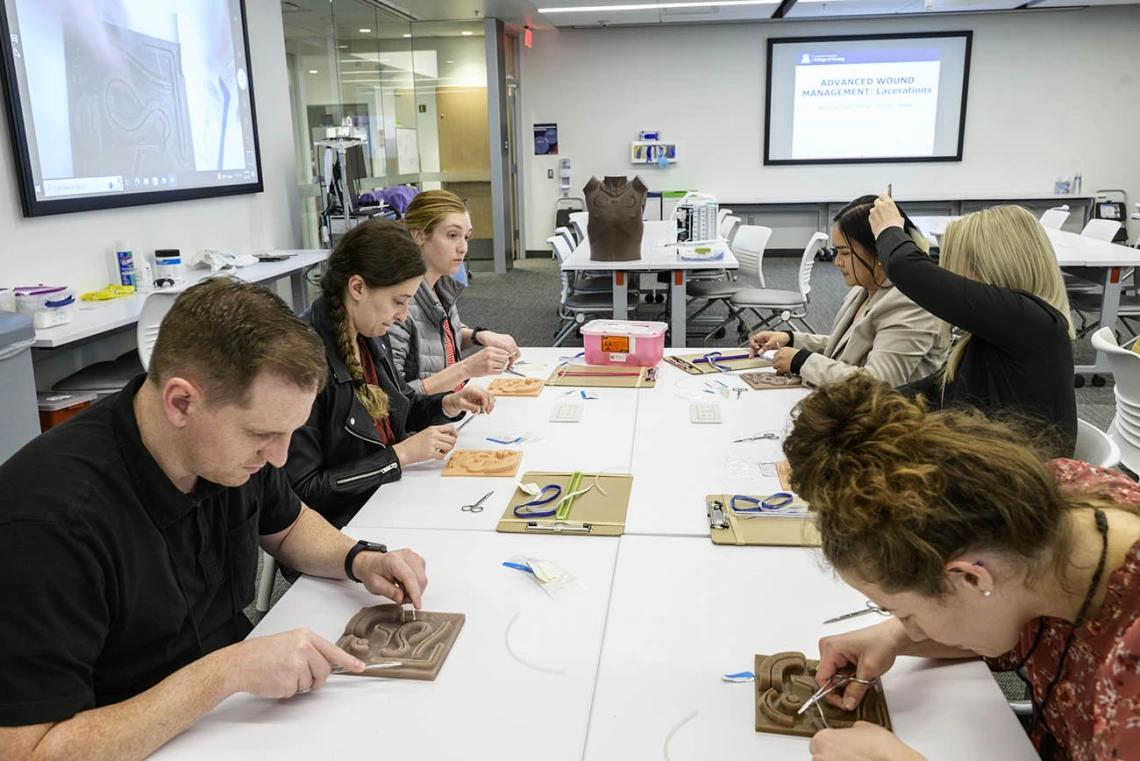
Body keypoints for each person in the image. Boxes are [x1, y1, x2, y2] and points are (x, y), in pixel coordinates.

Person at [0, 279, 430, 761]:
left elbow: (286, 525)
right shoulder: (49, 527)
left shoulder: (228, 449)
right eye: (263, 434)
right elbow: (30, 750)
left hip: (223, 716)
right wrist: (229, 671)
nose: (279, 456)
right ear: (181, 402)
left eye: (289, 432)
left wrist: (357, 559)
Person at [782, 375, 1140, 761]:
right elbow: (1009, 617)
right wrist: (894, 638)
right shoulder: (1048, 506)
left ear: (971, 576)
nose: (911, 628)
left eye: (906, 614)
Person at [286, 219, 495, 528]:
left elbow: (399, 408)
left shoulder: (369, 333)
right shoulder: (301, 360)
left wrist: (447, 403)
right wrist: (398, 456)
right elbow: (304, 491)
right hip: (346, 524)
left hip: (386, 497)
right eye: (399, 301)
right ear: (357, 287)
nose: (403, 315)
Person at [869, 196, 1077, 456]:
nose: (953, 279)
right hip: (989, 469)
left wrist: (887, 229)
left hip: (1011, 487)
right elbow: (937, 390)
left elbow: (906, 268)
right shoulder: (996, 332)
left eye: (956, 268)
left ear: (990, 267)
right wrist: (866, 404)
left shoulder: (1032, 322)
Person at [749, 195, 946, 387]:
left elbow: (878, 383)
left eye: (845, 253)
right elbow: (849, 349)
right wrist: (793, 340)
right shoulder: (865, 288)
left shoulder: (910, 303)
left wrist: (801, 361)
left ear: (879, 250)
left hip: (883, 416)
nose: (837, 262)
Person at [388, 189, 520, 394]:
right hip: (430, 421)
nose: (463, 247)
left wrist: (478, 335)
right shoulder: (398, 305)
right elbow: (395, 398)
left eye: (466, 237)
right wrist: (465, 369)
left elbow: (442, 337)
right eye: (452, 235)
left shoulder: (440, 287)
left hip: (452, 406)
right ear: (419, 235)